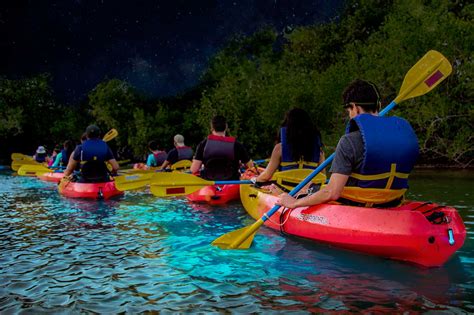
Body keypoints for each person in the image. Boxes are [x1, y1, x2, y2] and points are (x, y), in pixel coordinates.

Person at [277, 79, 419, 209]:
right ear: (378, 105)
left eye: (349, 110)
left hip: (355, 206)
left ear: (355, 107)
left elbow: (332, 193)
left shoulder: (349, 141)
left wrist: (295, 203)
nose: (349, 114)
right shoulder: (401, 137)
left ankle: (286, 195)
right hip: (392, 203)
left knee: (312, 189)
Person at [255, 108, 325, 184]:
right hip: (309, 192)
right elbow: (323, 176)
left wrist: (255, 180)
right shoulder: (319, 152)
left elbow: (266, 176)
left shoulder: (279, 149)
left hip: (285, 191)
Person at [191, 115, 254, 180]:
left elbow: (194, 169)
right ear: (226, 127)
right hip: (232, 182)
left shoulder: (203, 144)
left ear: (212, 128)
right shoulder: (236, 144)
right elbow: (250, 166)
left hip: (208, 182)